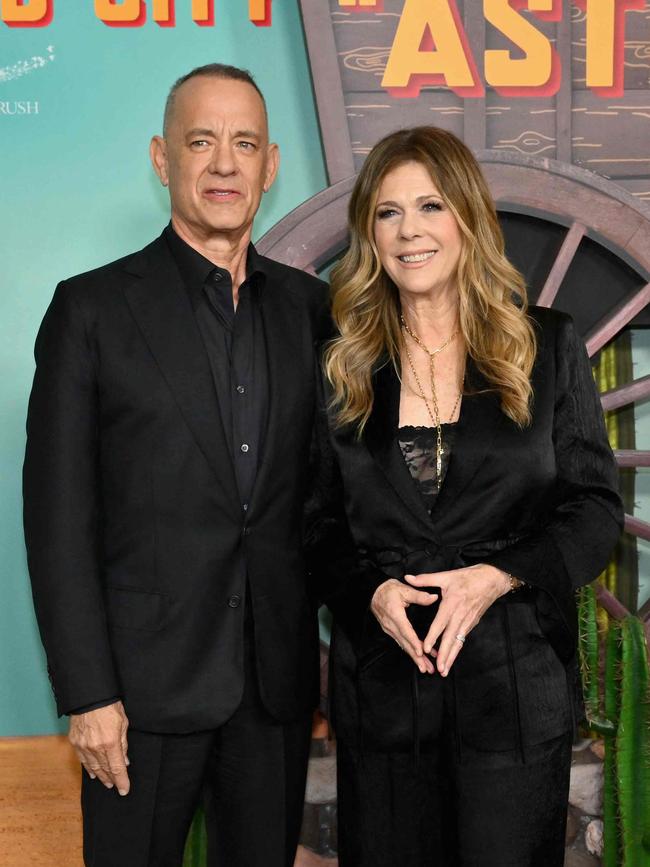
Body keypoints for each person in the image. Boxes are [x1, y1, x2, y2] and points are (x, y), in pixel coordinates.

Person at [23, 63, 329, 867]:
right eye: (202, 141)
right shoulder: (89, 310)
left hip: (273, 694)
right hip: (138, 698)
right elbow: (58, 520)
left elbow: (327, 502)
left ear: (271, 165)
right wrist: (89, 694)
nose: (224, 164)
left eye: (244, 144)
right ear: (163, 158)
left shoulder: (313, 312)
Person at [306, 126, 623, 866]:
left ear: (468, 219)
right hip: (382, 700)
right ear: (370, 233)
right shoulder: (340, 366)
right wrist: (372, 594)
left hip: (512, 695)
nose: (410, 230)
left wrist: (498, 574)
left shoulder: (545, 345)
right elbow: (315, 528)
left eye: (430, 205)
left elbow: (594, 508)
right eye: (388, 213)